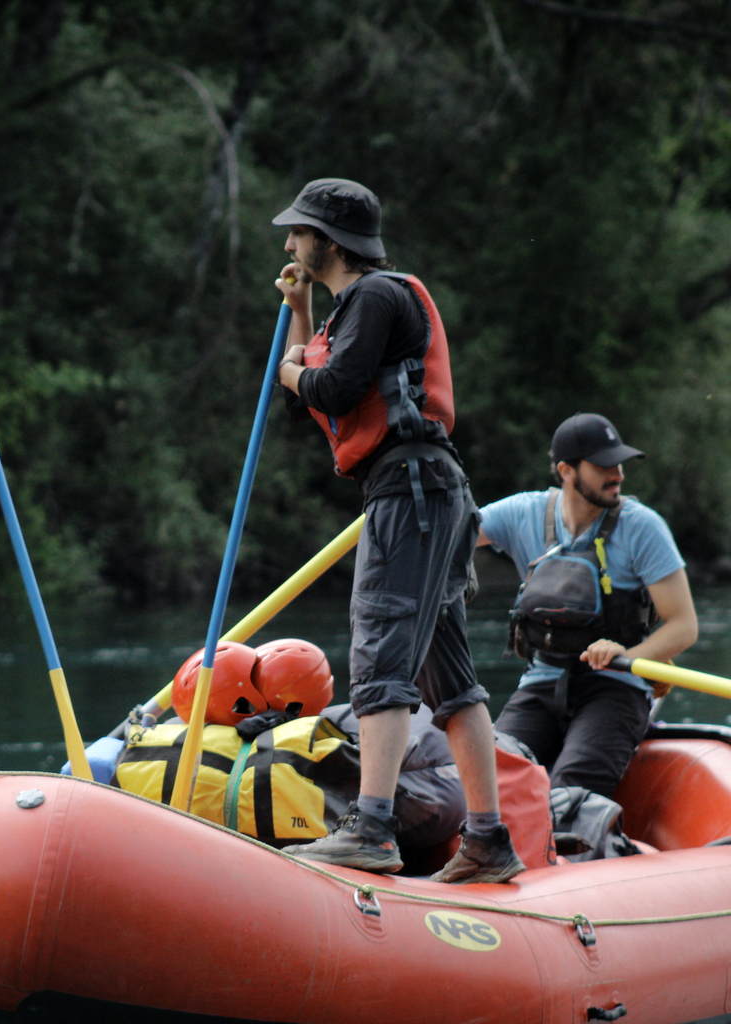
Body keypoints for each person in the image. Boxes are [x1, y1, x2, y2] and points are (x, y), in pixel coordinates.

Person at [271, 178, 523, 883]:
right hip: (428, 491)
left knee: (379, 653)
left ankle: (372, 829)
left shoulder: (378, 296)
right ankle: (488, 842)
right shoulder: (355, 307)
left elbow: (331, 388)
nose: (289, 244)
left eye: (298, 233)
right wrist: (300, 313)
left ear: (329, 240)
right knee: (452, 680)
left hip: (410, 492)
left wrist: (292, 368)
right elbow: (316, 386)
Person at [479, 412, 698, 799]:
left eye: (619, 464)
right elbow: (450, 531)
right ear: (566, 470)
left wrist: (627, 654)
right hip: (541, 682)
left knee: (571, 791)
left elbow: (684, 626)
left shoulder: (643, 527)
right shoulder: (523, 512)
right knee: (489, 789)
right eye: (603, 466)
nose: (617, 475)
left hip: (616, 687)